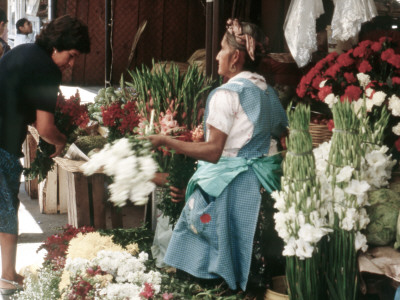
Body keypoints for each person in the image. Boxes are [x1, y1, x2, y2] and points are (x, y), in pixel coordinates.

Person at [149, 18, 287, 291]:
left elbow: (213, 152)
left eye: (222, 49)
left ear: (236, 57)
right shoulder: (267, 91)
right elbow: (281, 130)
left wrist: (166, 140)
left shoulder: (226, 94)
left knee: (208, 263)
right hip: (262, 185)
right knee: (249, 253)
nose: (216, 56)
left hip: (228, 187)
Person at [0, 15, 90, 295]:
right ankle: (7, 277)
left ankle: (7, 274)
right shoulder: (47, 69)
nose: (71, 64)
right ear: (57, 46)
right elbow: (46, 127)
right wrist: (62, 141)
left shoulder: (22, 51)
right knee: (6, 209)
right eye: (72, 56)